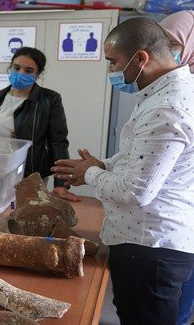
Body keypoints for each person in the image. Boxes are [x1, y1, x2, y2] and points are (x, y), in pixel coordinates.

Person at [52, 17, 194, 325]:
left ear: (140, 58)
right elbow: (139, 157)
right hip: (154, 243)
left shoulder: (166, 108)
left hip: (149, 247)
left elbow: (135, 191)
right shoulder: (168, 94)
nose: (110, 71)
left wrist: (89, 174)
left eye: (112, 62)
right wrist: (102, 165)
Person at [0, 47, 80, 202]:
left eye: (28, 70)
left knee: (29, 216)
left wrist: (61, 184)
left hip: (31, 174)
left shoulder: (49, 100)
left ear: (38, 74)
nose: (20, 73)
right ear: (10, 67)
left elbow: (58, 142)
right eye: (16, 68)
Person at [160, 9, 194, 325]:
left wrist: (93, 172)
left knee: (177, 309)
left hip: (181, 224)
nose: (164, 48)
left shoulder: (183, 95)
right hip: (177, 219)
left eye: (171, 42)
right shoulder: (176, 85)